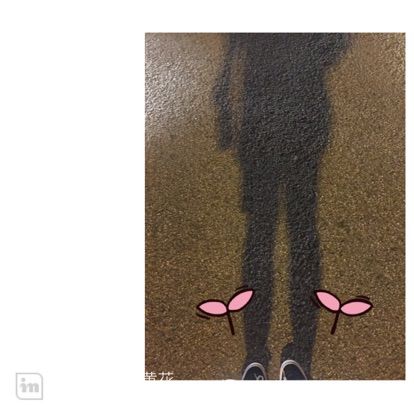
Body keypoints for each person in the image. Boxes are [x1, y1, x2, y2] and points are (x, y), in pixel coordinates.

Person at [214, 33, 349, 380]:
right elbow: (335, 46)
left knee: (259, 236)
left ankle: (255, 358)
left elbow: (236, 39)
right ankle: (299, 358)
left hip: (258, 116)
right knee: (302, 234)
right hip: (305, 114)